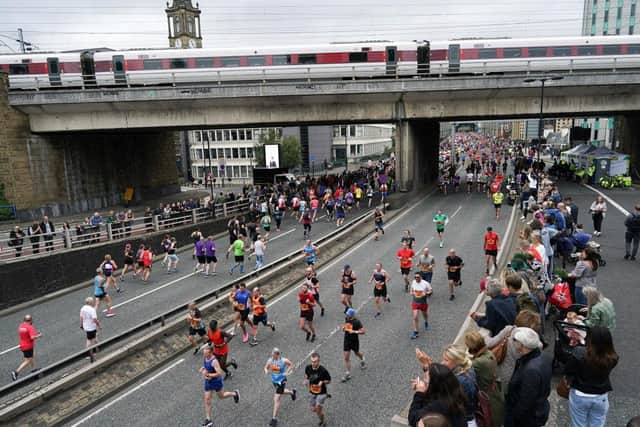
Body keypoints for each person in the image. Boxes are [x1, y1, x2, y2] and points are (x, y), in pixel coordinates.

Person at [562, 326, 618, 427]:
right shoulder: (612, 358)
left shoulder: (579, 352)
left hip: (580, 394)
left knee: (579, 424)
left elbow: (568, 371)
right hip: (601, 396)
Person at [504, 327, 552, 427]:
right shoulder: (543, 356)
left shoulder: (531, 370)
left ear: (522, 345)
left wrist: (514, 415)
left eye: (515, 340)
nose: (513, 342)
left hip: (527, 418)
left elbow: (526, 401)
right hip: (538, 410)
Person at [485, 309, 542, 386]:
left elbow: (490, 343)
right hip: (520, 381)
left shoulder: (509, 330)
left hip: (502, 376)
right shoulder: (537, 345)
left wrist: (485, 337)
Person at [465, 332, 505, 427]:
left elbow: (463, 366)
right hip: (495, 395)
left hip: (488, 400)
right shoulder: (488, 353)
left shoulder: (478, 363)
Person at [408, 361, 467, 427]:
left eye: (426, 382)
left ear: (434, 386)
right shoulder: (453, 392)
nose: (423, 383)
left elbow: (413, 419)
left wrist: (419, 393)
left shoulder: (438, 405)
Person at [199, 345, 240, 427]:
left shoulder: (214, 361)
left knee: (221, 396)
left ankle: (235, 393)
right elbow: (206, 367)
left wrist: (208, 374)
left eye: (205, 353)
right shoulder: (205, 358)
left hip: (216, 381)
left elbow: (219, 373)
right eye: (204, 353)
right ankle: (208, 420)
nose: (204, 355)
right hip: (208, 382)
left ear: (210, 353)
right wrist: (203, 369)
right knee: (207, 400)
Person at [442, 346, 479, 426]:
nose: (442, 363)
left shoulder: (458, 380)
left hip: (463, 420)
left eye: (446, 360)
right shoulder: (467, 368)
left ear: (456, 361)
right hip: (469, 415)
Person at [264, 347, 296, 427]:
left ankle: (274, 419)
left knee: (276, 398)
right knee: (282, 392)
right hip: (274, 381)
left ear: (277, 354)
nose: (271, 355)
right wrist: (266, 371)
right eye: (272, 353)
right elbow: (266, 367)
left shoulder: (283, 360)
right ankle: (292, 392)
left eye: (273, 354)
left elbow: (291, 365)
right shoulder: (270, 360)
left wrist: (287, 372)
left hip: (281, 381)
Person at [10, 314, 42, 381]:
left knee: (31, 357)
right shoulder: (30, 327)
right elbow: (32, 337)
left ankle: (34, 371)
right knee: (28, 361)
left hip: (22, 345)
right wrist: (39, 335)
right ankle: (16, 372)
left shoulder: (21, 326)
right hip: (28, 346)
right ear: (30, 320)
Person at [304, 352, 332, 427]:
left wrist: (322, 382)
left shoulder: (323, 370)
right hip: (312, 391)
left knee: (318, 409)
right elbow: (307, 375)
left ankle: (323, 421)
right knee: (314, 409)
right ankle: (320, 413)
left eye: (315, 361)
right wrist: (306, 380)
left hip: (321, 392)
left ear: (318, 361)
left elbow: (329, 380)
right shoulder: (308, 367)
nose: (313, 363)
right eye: (312, 361)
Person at [340, 308, 366, 382]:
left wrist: (354, 331)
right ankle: (348, 374)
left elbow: (363, 331)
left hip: (354, 340)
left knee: (356, 353)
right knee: (346, 357)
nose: (346, 315)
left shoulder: (357, 322)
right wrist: (344, 327)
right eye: (346, 314)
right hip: (347, 340)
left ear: (351, 315)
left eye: (347, 314)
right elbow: (346, 325)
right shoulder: (346, 319)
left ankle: (362, 359)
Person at [410, 272, 433, 339]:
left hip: (423, 302)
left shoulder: (425, 283)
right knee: (415, 316)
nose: (416, 278)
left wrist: (425, 293)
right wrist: (412, 293)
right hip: (415, 302)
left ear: (421, 277)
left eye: (418, 277)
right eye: (415, 277)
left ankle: (426, 321)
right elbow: (411, 290)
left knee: (424, 314)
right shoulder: (413, 282)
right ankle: (415, 332)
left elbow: (431, 291)